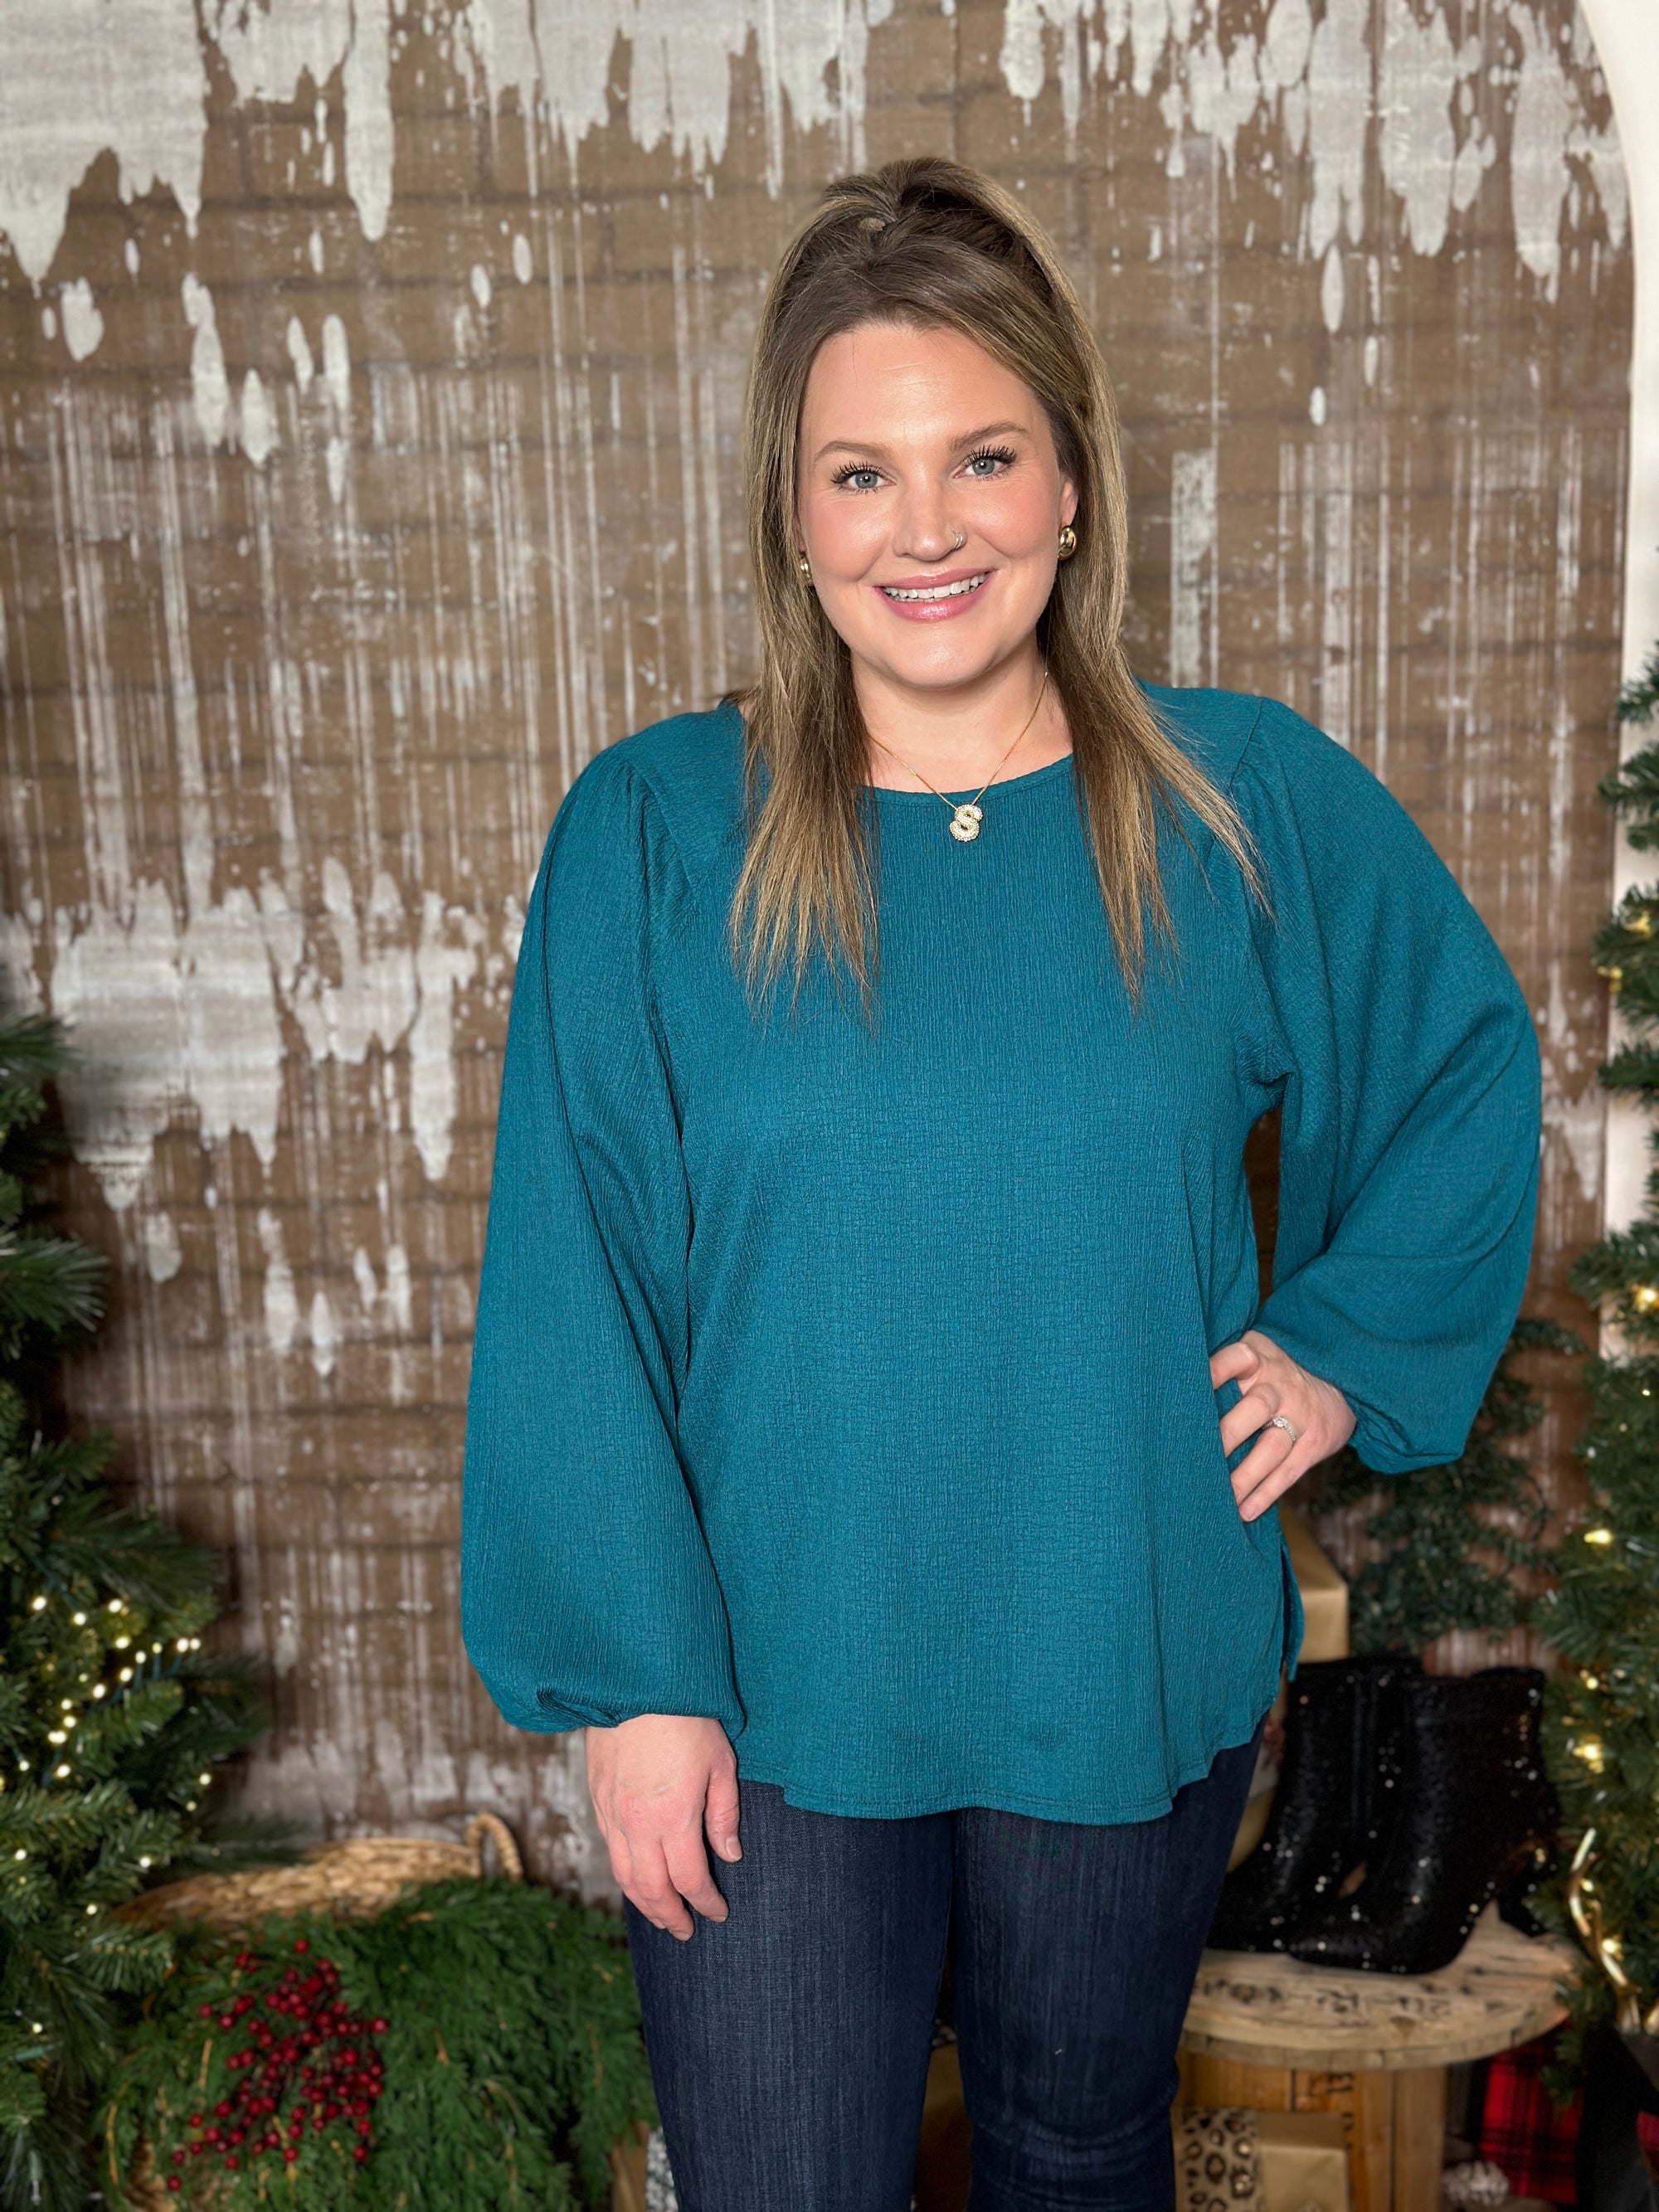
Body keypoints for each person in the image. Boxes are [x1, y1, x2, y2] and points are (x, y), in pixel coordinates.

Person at [460, 156, 1540, 2212]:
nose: (927, 526)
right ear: (792, 515)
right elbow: (571, 1267)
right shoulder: (655, 832)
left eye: (981, 456)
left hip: (1112, 1626)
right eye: (860, 474)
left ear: (1068, 483)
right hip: (762, 1675)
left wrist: (1335, 1343)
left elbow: (1462, 1062)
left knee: (1073, 2150)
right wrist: (631, 1680)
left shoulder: (1235, 801)